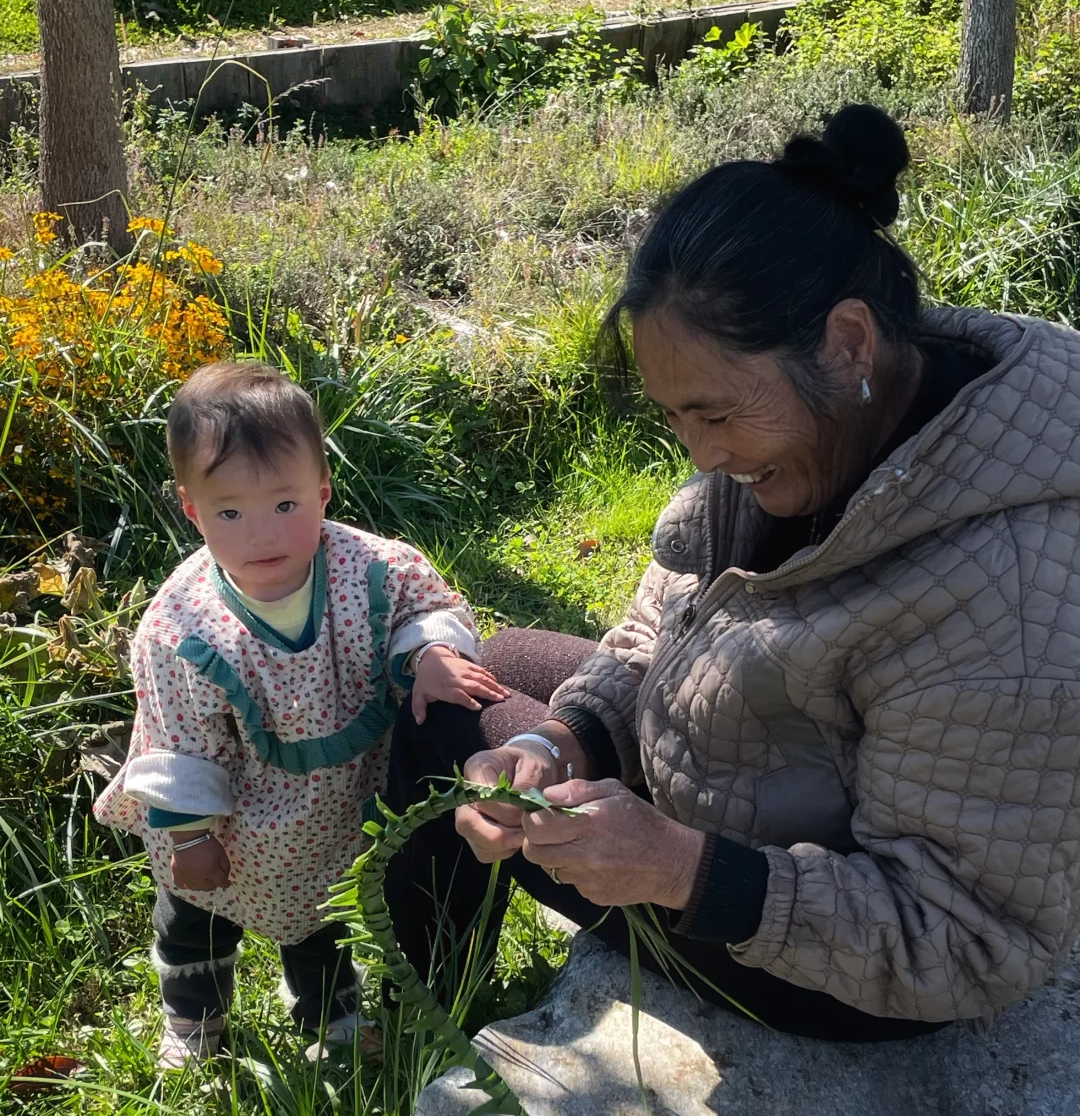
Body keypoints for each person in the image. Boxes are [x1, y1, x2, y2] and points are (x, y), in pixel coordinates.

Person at [384, 103, 1080, 1041]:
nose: (702, 456)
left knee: (442, 723)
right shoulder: (845, 411)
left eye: (714, 415)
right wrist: (565, 743)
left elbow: (963, 936)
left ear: (847, 342)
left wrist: (681, 870)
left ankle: (417, 1012)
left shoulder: (1009, 592)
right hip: (743, 782)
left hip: (820, 954)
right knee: (494, 667)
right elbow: (666, 628)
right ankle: (442, 988)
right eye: (676, 418)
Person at [95, 361, 507, 1068]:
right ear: (192, 510)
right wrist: (190, 835)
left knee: (325, 913)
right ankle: (194, 1028)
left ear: (322, 493)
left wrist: (428, 654)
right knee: (197, 923)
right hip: (224, 822)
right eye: (230, 512)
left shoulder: (371, 570)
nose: (262, 534)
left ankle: (331, 1019)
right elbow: (176, 739)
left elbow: (425, 607)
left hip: (333, 812)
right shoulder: (182, 627)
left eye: (285, 505)